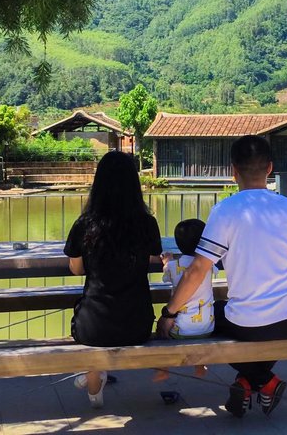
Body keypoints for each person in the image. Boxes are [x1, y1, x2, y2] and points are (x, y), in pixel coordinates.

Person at [157, 135, 287, 418]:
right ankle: (250, 382)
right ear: (270, 168)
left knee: (213, 318)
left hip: (248, 325)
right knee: (262, 323)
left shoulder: (224, 210)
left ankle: (260, 381)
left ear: (233, 171)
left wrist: (169, 312)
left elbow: (197, 270)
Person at [64, 151, 162, 408]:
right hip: (138, 325)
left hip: (92, 327)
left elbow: (76, 270)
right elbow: (154, 258)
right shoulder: (147, 223)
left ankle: (94, 381)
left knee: (87, 316)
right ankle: (94, 376)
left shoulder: (85, 224)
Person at [154, 218, 217, 381]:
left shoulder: (173, 266)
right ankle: (200, 366)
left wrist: (167, 262)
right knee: (198, 335)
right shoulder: (209, 266)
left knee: (161, 331)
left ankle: (163, 369)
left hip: (180, 329)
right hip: (207, 327)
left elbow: (166, 277)